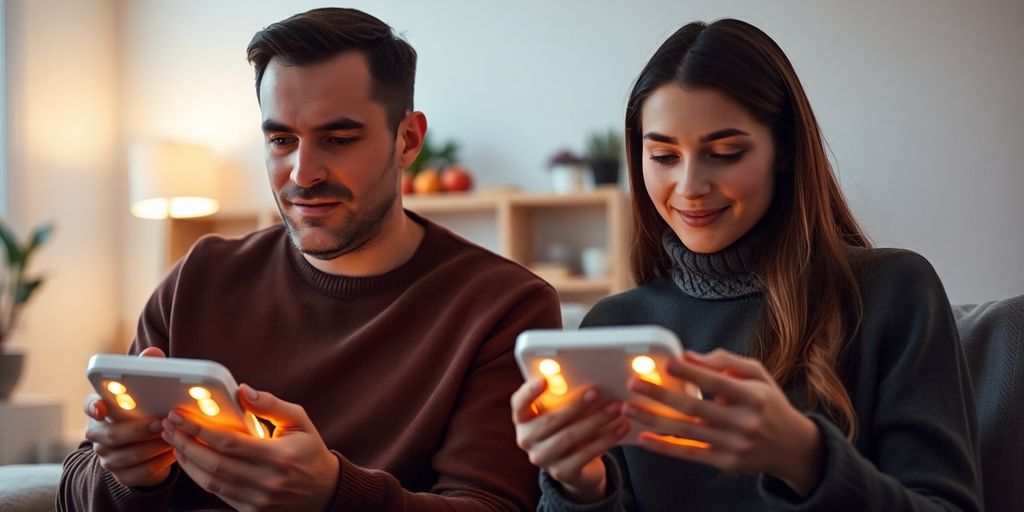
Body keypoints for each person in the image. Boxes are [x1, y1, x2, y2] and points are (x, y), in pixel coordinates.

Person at [59, 8, 560, 511]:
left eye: (338, 140)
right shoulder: (200, 276)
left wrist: (333, 495)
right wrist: (127, 474)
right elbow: (76, 485)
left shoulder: (503, 306)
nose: (304, 172)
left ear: (407, 140)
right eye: (281, 140)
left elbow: (492, 505)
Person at [511, 19, 982, 511]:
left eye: (725, 153)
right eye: (663, 155)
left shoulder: (891, 292)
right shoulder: (614, 326)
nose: (690, 185)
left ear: (784, 150)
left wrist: (806, 459)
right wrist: (579, 487)